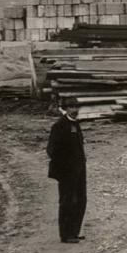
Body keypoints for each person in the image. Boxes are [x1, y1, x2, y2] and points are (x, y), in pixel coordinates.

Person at [46, 104, 87, 243]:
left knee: (81, 200)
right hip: (66, 172)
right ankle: (66, 235)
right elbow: (51, 150)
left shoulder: (76, 124)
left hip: (79, 170)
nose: (75, 110)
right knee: (68, 201)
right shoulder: (59, 126)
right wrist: (64, 168)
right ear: (66, 109)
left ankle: (75, 232)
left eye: (77, 107)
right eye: (72, 107)